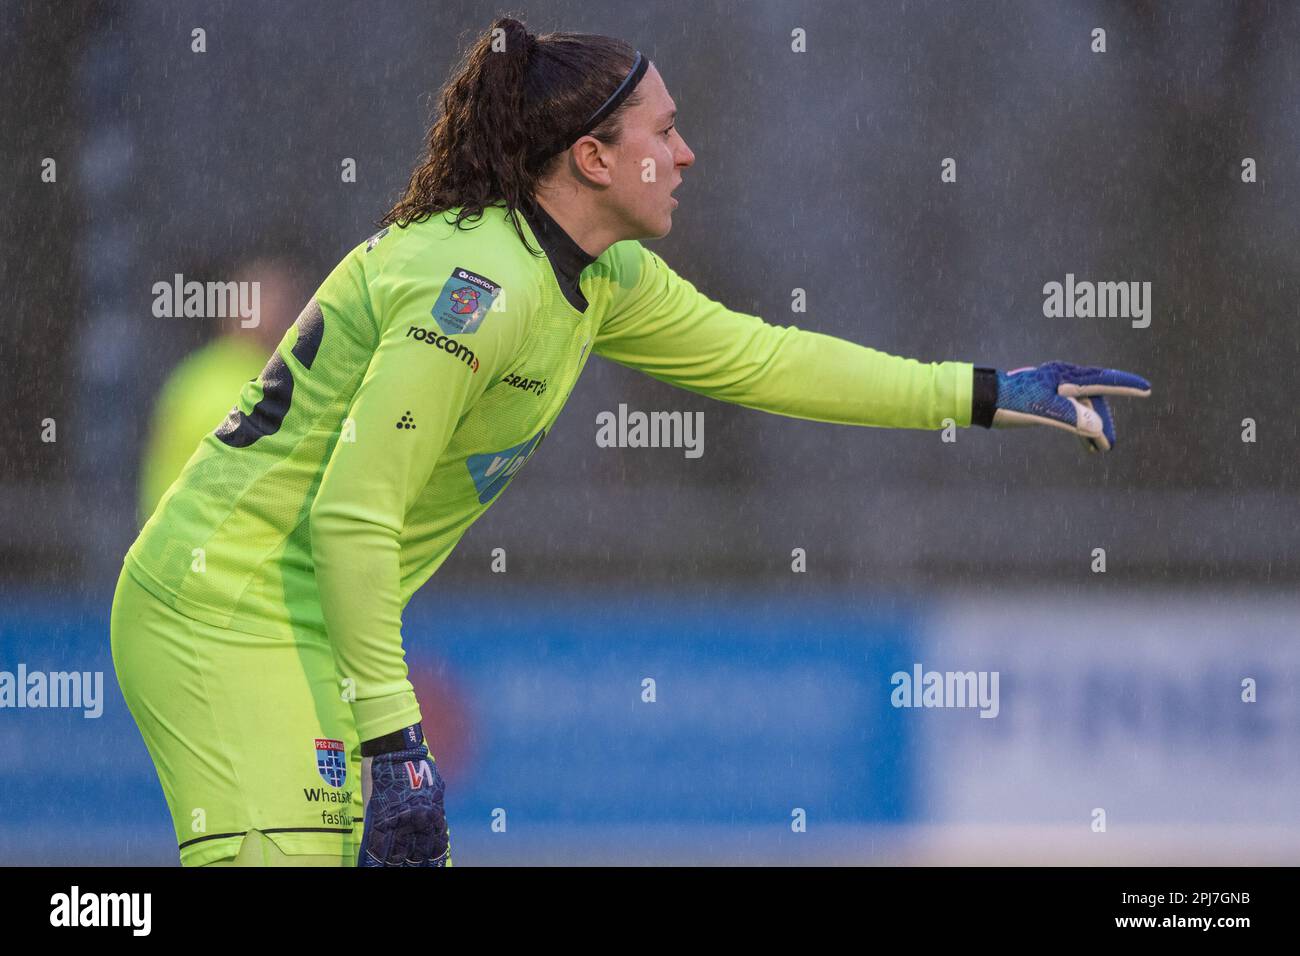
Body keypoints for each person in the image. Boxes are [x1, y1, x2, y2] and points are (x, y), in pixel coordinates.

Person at [109, 17, 1150, 867]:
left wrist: (981, 392)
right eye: (665, 129)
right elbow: (352, 513)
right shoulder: (476, 289)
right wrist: (398, 743)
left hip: (310, 622)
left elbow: (764, 360)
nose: (687, 151)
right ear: (592, 155)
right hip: (223, 609)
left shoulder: (597, 275)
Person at [136, 257, 309, 527]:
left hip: (168, 540)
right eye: (282, 305)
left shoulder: (191, 375)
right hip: (213, 547)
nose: (295, 319)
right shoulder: (261, 382)